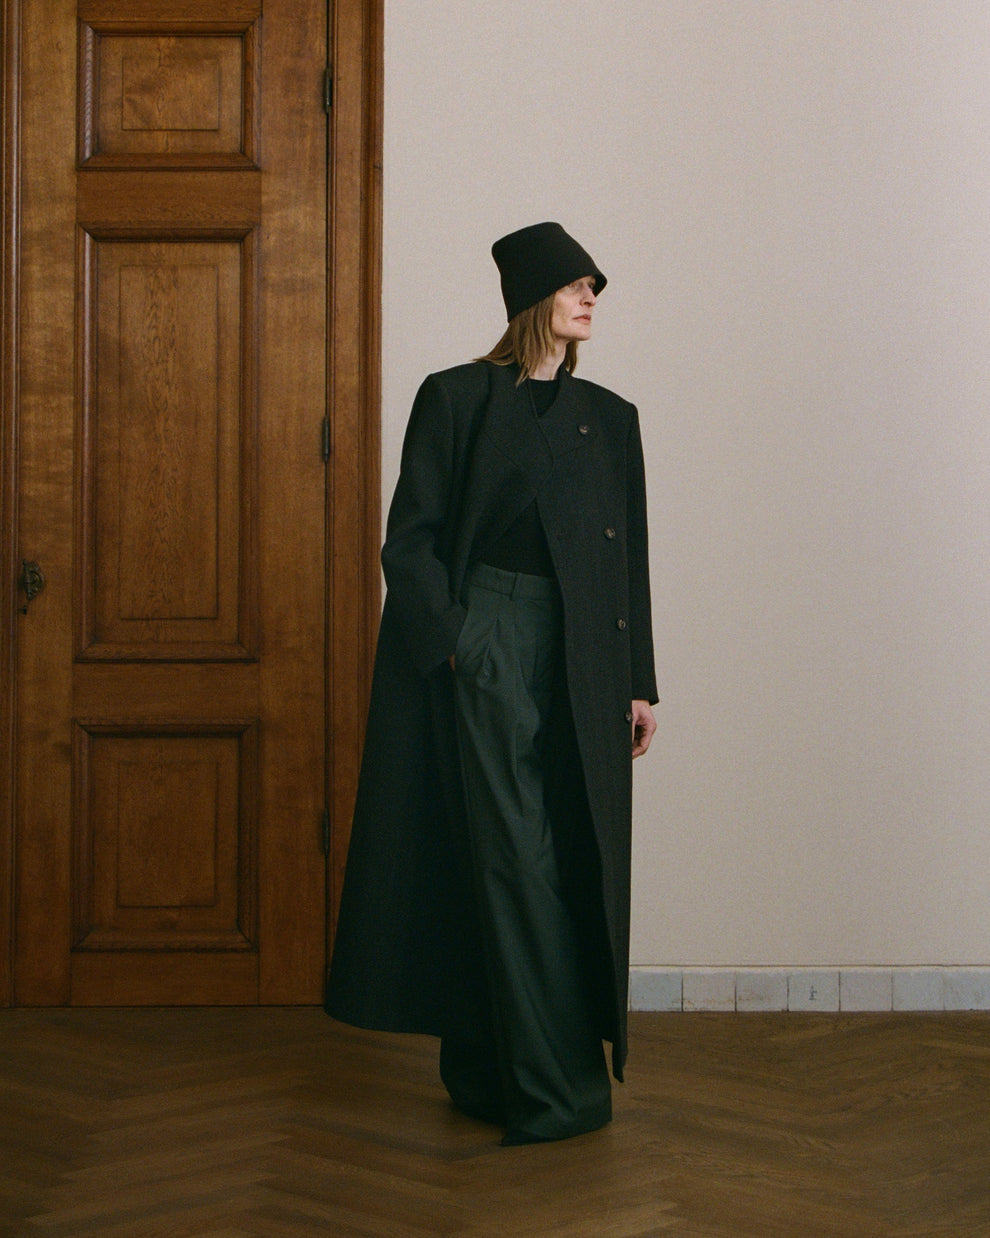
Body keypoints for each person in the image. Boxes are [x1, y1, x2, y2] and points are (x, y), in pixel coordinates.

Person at [326, 221, 658, 1145]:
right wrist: (458, 643)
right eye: (575, 285)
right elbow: (411, 539)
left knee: (568, 855)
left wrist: (639, 681)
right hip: (491, 641)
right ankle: (557, 1093)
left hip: (586, 655)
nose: (590, 298)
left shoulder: (612, 419)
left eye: (595, 287)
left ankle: (485, 1070)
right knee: (516, 860)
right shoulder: (457, 398)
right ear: (532, 298)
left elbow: (627, 561)